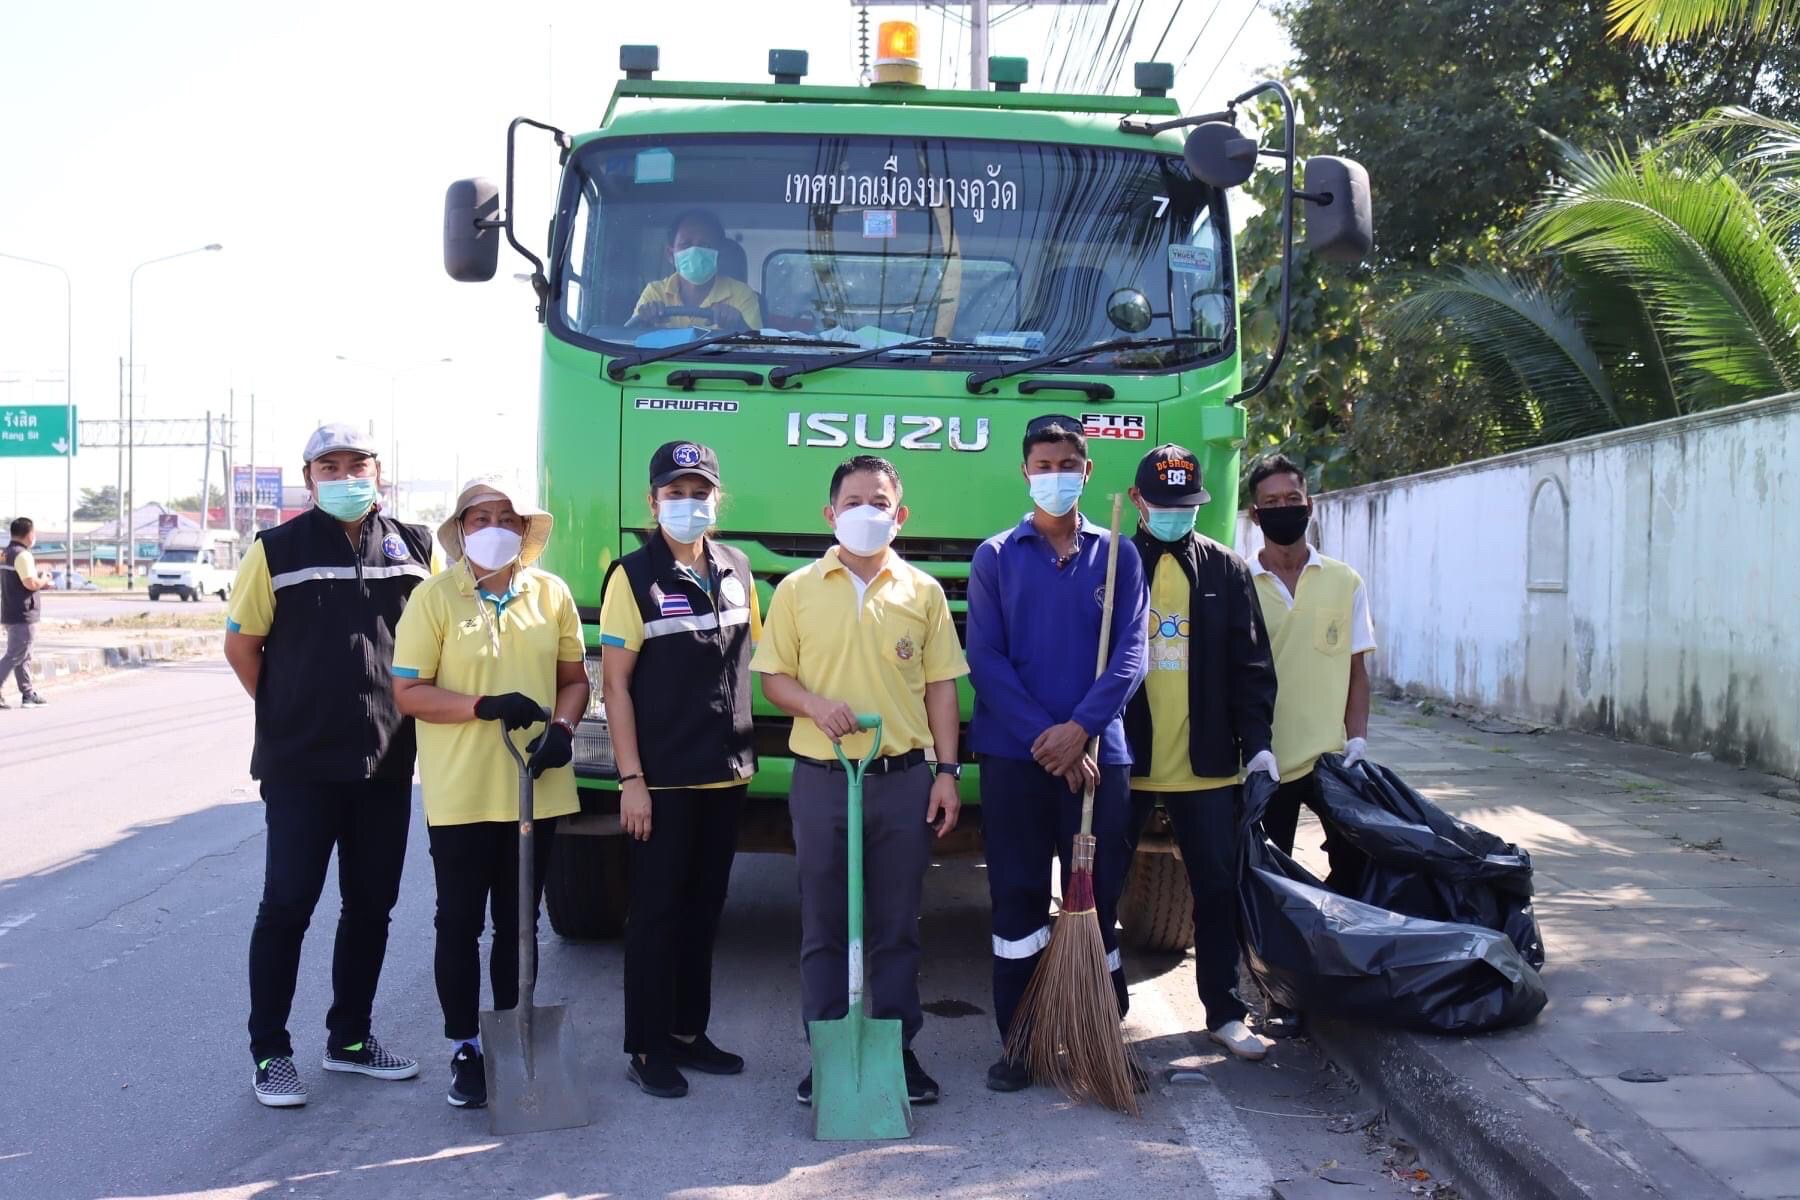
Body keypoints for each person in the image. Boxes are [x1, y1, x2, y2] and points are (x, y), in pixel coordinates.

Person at [223, 424, 433, 1107]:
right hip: (301, 766)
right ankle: (270, 1052)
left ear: (379, 471)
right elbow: (242, 646)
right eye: (330, 466)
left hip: (386, 761)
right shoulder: (276, 549)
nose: (346, 477)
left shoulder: (416, 547)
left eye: (357, 465)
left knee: (371, 907)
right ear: (309, 477)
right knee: (287, 906)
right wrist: (289, 709)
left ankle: (350, 1040)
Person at [752, 454, 966, 1109]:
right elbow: (773, 677)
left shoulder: (923, 592)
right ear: (830, 513)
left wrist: (947, 772)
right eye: (853, 502)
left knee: (896, 923)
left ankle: (897, 1050)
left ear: (901, 516)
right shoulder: (796, 590)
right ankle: (827, 1051)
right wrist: (815, 706)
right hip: (822, 780)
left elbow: (942, 688)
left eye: (879, 503)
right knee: (823, 923)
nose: (866, 513)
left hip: (901, 780)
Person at [391, 476, 589, 1111]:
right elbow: (409, 692)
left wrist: (563, 729)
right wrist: (481, 705)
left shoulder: (551, 594)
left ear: (525, 531)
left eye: (507, 517)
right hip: (462, 790)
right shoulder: (433, 599)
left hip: (537, 785)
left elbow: (574, 680)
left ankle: (513, 1033)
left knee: (520, 923)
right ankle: (465, 1046)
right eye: (481, 518)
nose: (495, 527)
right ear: (461, 530)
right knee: (458, 921)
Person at [966, 414, 1149, 1093]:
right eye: (1043, 466)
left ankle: (1102, 1038)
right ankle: (1021, 1042)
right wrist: (1051, 739)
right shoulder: (995, 556)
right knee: (1016, 897)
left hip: (1100, 757)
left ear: (1087, 470)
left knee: (1095, 900)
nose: (1055, 476)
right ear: (1025, 472)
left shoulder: (1119, 554)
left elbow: (1131, 654)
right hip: (1017, 758)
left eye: (1067, 465)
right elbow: (985, 659)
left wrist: (1082, 729)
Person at [599, 441, 761, 1099]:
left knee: (704, 911)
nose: (688, 504)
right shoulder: (632, 576)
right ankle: (647, 1046)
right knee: (656, 916)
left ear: (717, 500)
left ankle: (690, 1032)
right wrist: (631, 780)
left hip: (726, 773)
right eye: (675, 493)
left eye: (699, 493)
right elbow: (615, 686)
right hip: (662, 780)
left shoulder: (739, 568)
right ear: (653, 501)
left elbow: (755, 661)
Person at [1122, 444, 1278, 1062]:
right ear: (1137, 501)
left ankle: (1224, 1012)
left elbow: (1252, 666)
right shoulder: (1112, 564)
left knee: (1215, 891)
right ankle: (1103, 1007)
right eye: (1163, 504)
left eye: (1186, 505)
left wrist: (1258, 746)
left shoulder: (1226, 569)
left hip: (1206, 764)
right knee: (1099, 891)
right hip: (1124, 760)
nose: (1176, 515)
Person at [1245, 453, 1377, 1038]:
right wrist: (1249, 747)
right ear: (1255, 514)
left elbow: (1357, 671)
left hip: (1329, 761)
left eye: (1291, 500)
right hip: (1266, 761)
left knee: (1354, 864)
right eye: (1271, 503)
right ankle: (1280, 993)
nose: (1284, 510)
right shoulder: (1241, 583)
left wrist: (1357, 741)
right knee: (1273, 884)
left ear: (1310, 504)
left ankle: (1342, 977)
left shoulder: (1344, 581)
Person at [629, 209, 762, 331]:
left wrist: (738, 326)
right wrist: (645, 324)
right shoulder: (654, 293)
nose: (695, 251)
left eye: (705, 245)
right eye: (686, 244)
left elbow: (757, 346)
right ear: (670, 255)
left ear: (718, 254)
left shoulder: (742, 295)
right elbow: (630, 339)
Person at [1, 516, 53, 709]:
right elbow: (30, 583)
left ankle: (28, 694)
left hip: (10, 609)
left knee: (23, 655)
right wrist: (44, 579)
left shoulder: (5, 553)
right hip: (22, 612)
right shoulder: (23, 555)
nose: (34, 537)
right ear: (29, 534)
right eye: (34, 533)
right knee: (15, 655)